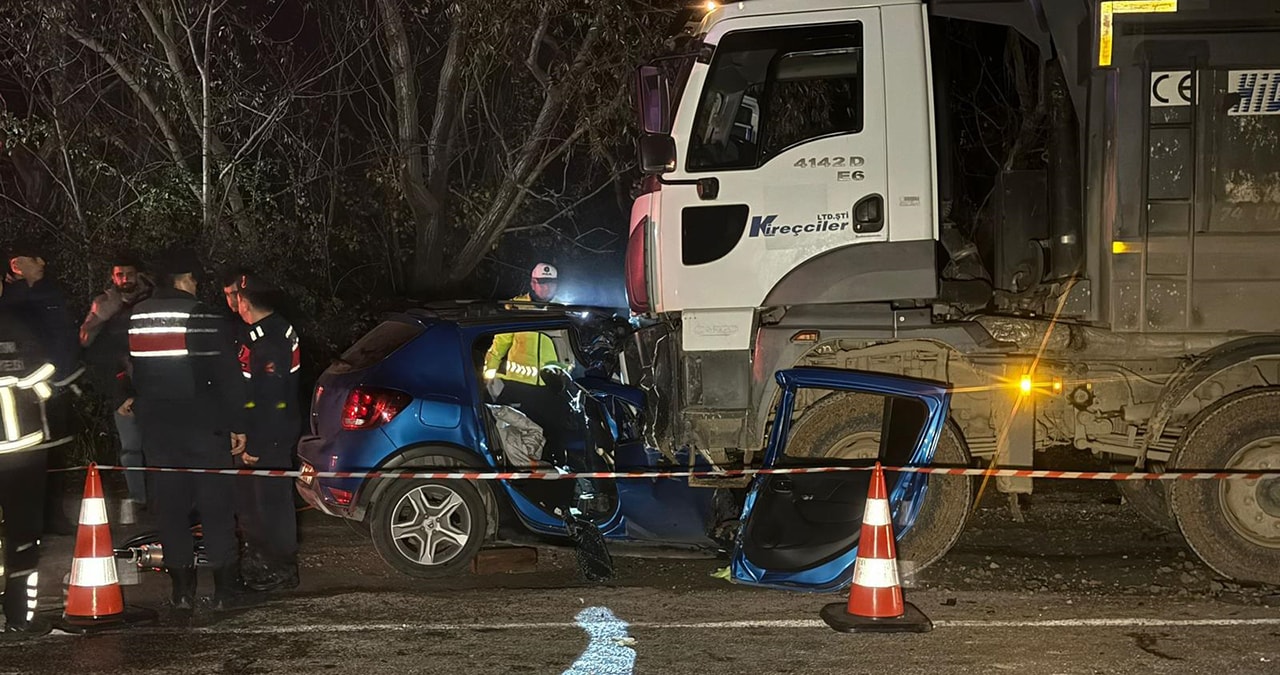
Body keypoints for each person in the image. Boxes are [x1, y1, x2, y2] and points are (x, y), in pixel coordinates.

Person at [124, 248, 253, 610]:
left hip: (157, 431)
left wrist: (128, 396)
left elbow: (127, 366)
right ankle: (226, 589)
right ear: (185, 280)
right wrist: (238, 424)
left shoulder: (135, 316)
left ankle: (181, 592)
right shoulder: (202, 316)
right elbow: (227, 377)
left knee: (171, 510)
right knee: (216, 507)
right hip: (202, 427)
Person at [1, 244, 81, 536]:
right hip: (26, 397)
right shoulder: (12, 301)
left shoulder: (51, 294)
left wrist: (63, 380)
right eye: (30, 257)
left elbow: (64, 339)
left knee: (55, 456)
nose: (41, 261)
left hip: (55, 389)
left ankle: (51, 517)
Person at [232, 275, 301, 592]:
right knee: (256, 502)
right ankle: (262, 562)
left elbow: (270, 397)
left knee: (272, 503)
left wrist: (257, 441)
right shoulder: (266, 332)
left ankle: (281, 569)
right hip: (266, 431)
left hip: (271, 434)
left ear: (245, 302)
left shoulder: (269, 339)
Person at [0, 301, 59, 637]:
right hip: (21, 449)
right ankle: (18, 617)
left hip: (21, 448)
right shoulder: (15, 324)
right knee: (23, 535)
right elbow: (42, 375)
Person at [80, 253, 154, 513]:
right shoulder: (103, 305)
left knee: (160, 446)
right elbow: (90, 347)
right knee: (131, 448)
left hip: (156, 387)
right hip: (122, 389)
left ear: (139, 274)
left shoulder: (155, 299)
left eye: (129, 274)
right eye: (118, 275)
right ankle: (139, 500)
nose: (124, 279)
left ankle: (165, 499)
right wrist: (119, 394)